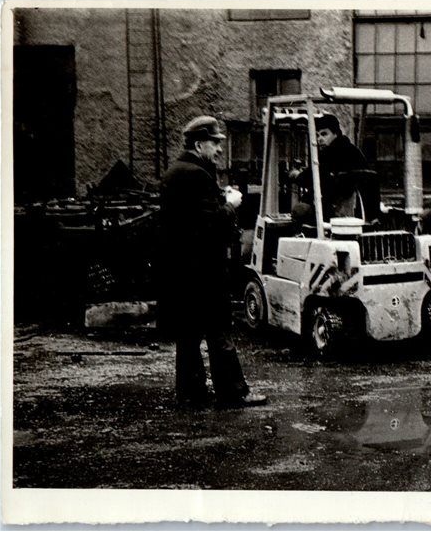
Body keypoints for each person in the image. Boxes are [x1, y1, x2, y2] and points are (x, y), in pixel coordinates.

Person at [157, 115, 267, 409]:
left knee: (189, 334)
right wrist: (230, 205)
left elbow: (186, 222)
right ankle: (234, 392)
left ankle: (191, 393)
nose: (220, 148)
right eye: (215, 142)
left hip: (182, 270)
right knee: (219, 331)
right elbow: (208, 224)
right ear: (198, 143)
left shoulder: (174, 173)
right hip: (204, 270)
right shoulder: (196, 175)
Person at [289, 113, 368, 222]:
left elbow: (311, 178)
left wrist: (297, 175)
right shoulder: (354, 151)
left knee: (298, 210)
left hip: (332, 210)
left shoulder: (330, 153)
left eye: (324, 134)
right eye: (317, 135)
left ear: (336, 133)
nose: (319, 139)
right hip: (355, 209)